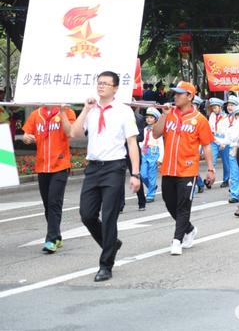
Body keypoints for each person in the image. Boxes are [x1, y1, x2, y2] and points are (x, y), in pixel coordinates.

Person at [69, 71, 140, 282]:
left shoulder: (123, 111)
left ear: (115, 88)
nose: (101, 87)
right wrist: (86, 109)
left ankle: (105, 264)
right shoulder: (91, 109)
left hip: (114, 168)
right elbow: (75, 133)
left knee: (109, 216)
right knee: (87, 214)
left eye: (106, 84)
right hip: (93, 168)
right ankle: (111, 243)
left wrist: (135, 174)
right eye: (99, 83)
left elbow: (132, 144)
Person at [152, 81, 214, 256]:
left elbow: (207, 145)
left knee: (183, 206)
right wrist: (163, 116)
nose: (176, 96)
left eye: (180, 93)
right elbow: (156, 133)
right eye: (175, 93)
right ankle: (189, 229)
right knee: (169, 201)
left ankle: (177, 240)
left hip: (188, 170)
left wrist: (210, 169)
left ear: (190, 96)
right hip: (169, 168)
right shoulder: (169, 114)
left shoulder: (199, 120)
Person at [22, 104, 76, 253]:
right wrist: (27, 138)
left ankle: (51, 239)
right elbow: (26, 135)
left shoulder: (68, 111)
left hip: (60, 165)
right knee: (47, 204)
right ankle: (57, 235)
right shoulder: (36, 114)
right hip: (42, 166)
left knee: (54, 202)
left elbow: (69, 132)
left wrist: (63, 111)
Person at [140, 108, 163, 203]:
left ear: (156, 119)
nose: (148, 119)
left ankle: (150, 195)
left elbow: (161, 145)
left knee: (152, 175)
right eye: (147, 117)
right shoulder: (145, 129)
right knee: (143, 174)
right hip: (145, 152)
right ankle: (151, 187)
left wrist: (161, 158)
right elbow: (142, 140)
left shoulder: (158, 130)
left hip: (154, 152)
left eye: (151, 117)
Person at [208, 97, 230, 186]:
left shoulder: (226, 117)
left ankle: (226, 179)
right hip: (214, 139)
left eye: (215, 107)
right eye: (212, 108)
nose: (214, 109)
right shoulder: (212, 116)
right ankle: (209, 179)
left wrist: (224, 143)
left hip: (223, 140)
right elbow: (210, 127)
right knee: (212, 160)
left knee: (226, 162)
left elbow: (227, 131)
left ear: (220, 107)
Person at [226, 100, 239, 202]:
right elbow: (229, 139)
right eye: (236, 116)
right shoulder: (231, 128)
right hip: (233, 152)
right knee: (234, 174)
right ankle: (235, 195)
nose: (238, 118)